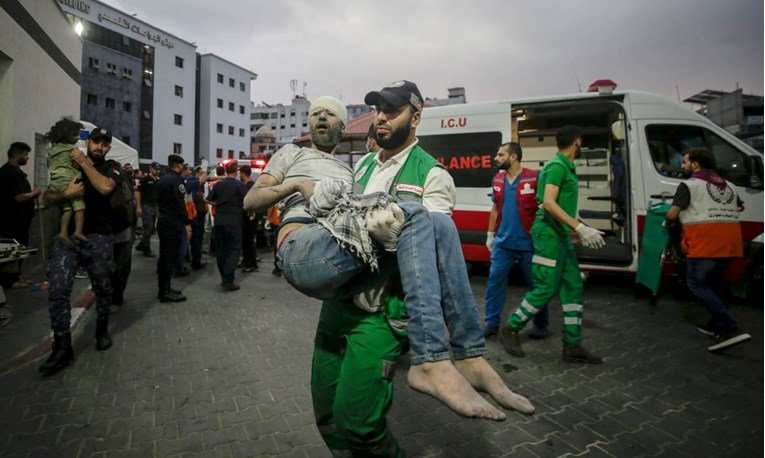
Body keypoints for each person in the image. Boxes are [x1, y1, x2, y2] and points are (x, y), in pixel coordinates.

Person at [246, 90, 532, 456]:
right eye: (378, 110)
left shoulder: (432, 173)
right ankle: (463, 356)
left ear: (415, 117)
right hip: (342, 298)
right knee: (327, 410)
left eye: (392, 111)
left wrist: (393, 240)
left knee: (360, 425)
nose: (381, 117)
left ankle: (458, 356)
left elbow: (434, 249)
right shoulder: (362, 166)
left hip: (381, 313)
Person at [498, 125, 605, 364]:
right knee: (546, 287)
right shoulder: (557, 167)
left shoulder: (564, 166)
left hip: (561, 236)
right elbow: (548, 202)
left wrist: (575, 227)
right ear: (577, 142)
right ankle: (511, 328)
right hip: (549, 237)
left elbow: (560, 205)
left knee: (573, 286)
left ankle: (572, 344)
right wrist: (580, 227)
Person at [39, 126, 124, 376]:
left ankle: (101, 329)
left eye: (104, 144)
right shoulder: (69, 164)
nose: (99, 146)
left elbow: (106, 188)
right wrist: (67, 193)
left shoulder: (112, 167)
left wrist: (84, 162)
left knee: (103, 287)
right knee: (58, 289)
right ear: (88, 143)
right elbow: (47, 198)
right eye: (96, 142)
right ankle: (62, 347)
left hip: (98, 238)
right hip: (68, 240)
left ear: (108, 148)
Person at [664, 148, 751, 352]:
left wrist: (668, 222)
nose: (683, 166)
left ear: (695, 165)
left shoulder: (689, 185)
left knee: (696, 283)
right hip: (731, 242)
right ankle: (716, 326)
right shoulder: (729, 185)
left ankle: (731, 327)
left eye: (685, 162)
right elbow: (738, 206)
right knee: (715, 282)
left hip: (706, 242)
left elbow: (672, 214)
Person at [484, 142, 548, 338]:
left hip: (529, 243)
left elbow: (545, 206)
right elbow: (495, 208)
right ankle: (491, 323)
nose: (496, 158)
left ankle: (540, 325)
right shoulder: (498, 179)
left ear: (513, 157)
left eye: (501, 155)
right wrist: (490, 234)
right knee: (494, 282)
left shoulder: (534, 177)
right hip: (503, 243)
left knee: (537, 286)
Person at [0, 142, 41, 289]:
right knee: (14, 249)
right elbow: (19, 197)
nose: (28, 158)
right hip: (14, 220)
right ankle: (10, 281)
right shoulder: (12, 172)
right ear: (17, 155)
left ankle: (13, 279)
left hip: (13, 219)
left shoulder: (8, 170)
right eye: (25, 155)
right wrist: (35, 193)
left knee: (14, 248)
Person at [45, 117, 88, 247]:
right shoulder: (72, 150)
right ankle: (78, 231)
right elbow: (77, 164)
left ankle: (63, 233)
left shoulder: (52, 150)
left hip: (55, 182)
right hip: (68, 180)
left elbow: (49, 164)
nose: (77, 138)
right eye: (75, 135)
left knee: (67, 208)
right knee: (79, 205)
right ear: (66, 135)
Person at [206, 160, 248, 291]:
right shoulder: (240, 185)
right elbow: (247, 201)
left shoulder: (219, 185)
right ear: (236, 172)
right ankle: (228, 280)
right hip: (234, 221)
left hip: (219, 221)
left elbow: (207, 199)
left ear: (225, 171)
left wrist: (217, 205)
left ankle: (224, 277)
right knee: (234, 250)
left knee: (221, 250)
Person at [156, 154, 190, 302]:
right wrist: (186, 222)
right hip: (173, 222)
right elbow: (179, 202)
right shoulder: (176, 180)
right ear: (179, 165)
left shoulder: (162, 179)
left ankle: (165, 287)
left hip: (164, 220)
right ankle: (165, 292)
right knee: (169, 257)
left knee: (165, 256)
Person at [135, 161, 161, 257]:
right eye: (155, 169)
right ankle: (146, 248)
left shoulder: (157, 181)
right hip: (146, 205)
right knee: (148, 227)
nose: (157, 171)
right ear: (150, 169)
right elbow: (137, 192)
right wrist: (138, 206)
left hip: (154, 206)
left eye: (158, 169)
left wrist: (158, 209)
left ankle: (142, 244)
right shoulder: (145, 179)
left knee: (151, 228)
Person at [239, 165, 259, 273]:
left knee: (250, 240)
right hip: (245, 216)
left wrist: (252, 212)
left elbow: (254, 200)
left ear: (243, 173)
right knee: (245, 239)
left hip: (250, 216)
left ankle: (252, 264)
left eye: (240, 173)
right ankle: (246, 260)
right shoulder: (245, 185)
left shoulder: (251, 186)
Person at [187, 166, 208, 270]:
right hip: (191, 213)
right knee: (193, 236)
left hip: (198, 211)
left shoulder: (189, 181)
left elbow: (207, 179)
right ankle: (194, 260)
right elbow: (204, 179)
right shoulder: (191, 180)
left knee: (197, 235)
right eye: (200, 173)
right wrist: (205, 169)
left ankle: (192, 257)